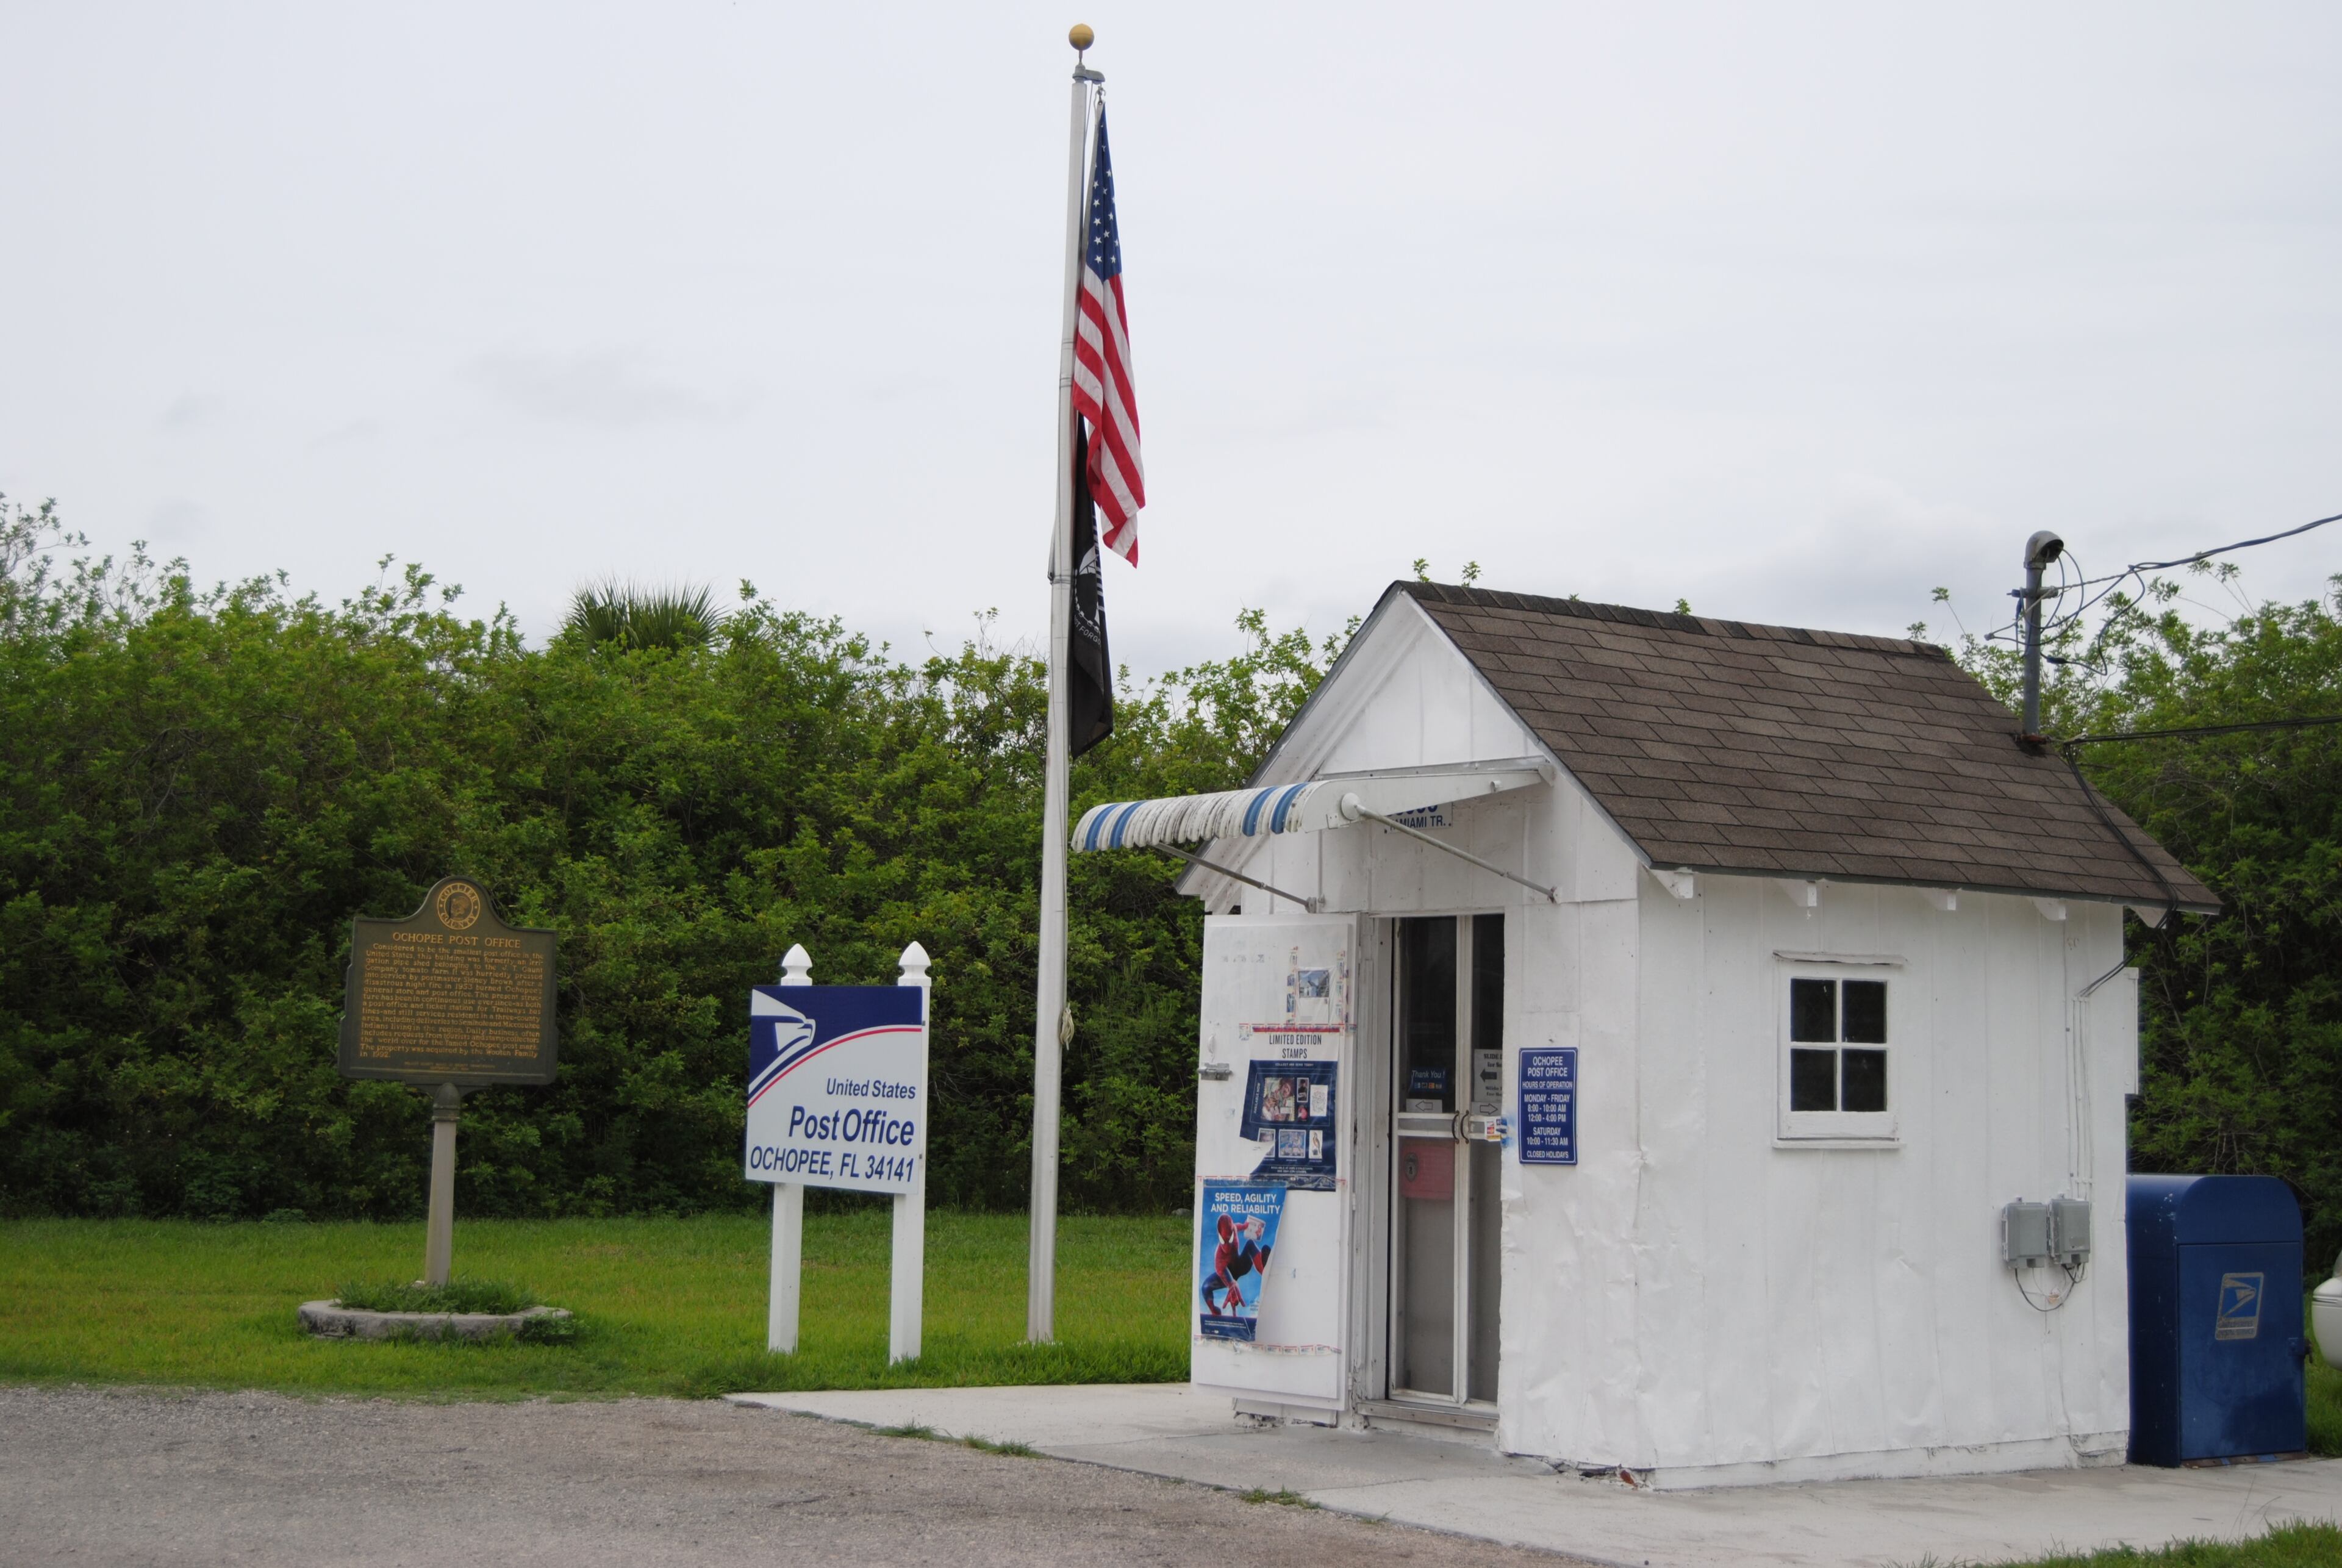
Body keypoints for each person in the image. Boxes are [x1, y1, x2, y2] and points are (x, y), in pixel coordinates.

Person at [1200, 1213, 1273, 1316]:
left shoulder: (1233, 1227)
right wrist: (1231, 1284)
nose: (1227, 1246)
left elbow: (1237, 1226)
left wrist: (1245, 1226)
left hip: (1240, 1266)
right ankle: (1214, 1311)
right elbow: (1220, 1270)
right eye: (1223, 1241)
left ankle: (1264, 1269)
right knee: (1205, 1287)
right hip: (1227, 1273)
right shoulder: (1219, 1257)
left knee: (1250, 1244)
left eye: (1230, 1239)